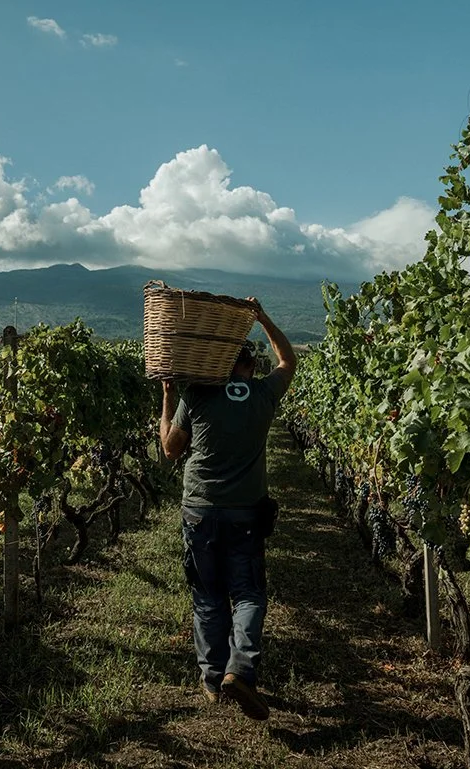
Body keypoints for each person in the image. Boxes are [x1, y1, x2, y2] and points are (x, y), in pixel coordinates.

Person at [159, 299, 296, 721]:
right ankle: (241, 669)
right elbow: (288, 359)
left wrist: (167, 397)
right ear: (250, 367)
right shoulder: (263, 394)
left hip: (199, 509)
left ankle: (212, 677)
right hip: (246, 513)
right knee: (249, 593)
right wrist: (262, 317)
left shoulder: (197, 393)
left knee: (207, 595)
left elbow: (169, 449)